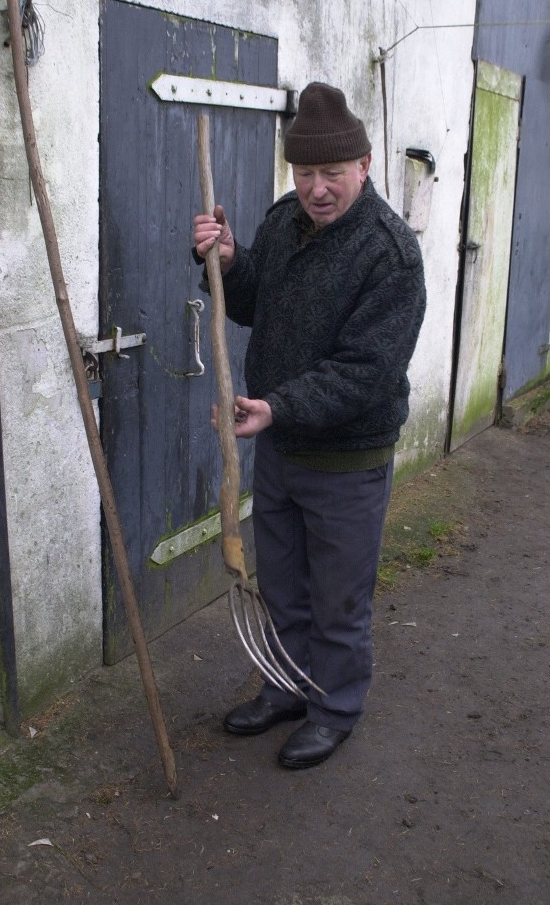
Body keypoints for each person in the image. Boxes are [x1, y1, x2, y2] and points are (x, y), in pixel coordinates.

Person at [193, 82, 426, 769]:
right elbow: (251, 303)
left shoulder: (389, 253)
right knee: (284, 585)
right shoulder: (283, 217)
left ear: (366, 164)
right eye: (305, 173)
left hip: (346, 459)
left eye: (332, 173)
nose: (317, 188)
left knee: (338, 599)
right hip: (282, 446)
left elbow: (367, 371)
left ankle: (335, 708)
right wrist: (230, 260)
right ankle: (288, 688)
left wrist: (278, 406)